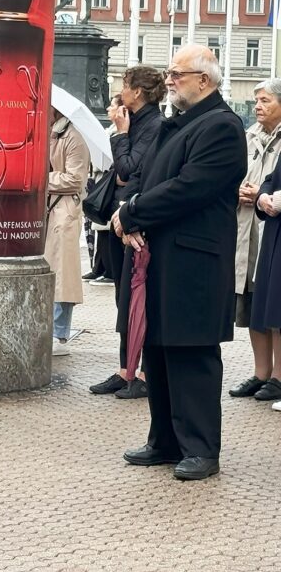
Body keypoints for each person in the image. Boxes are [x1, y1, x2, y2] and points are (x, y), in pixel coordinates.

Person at [114, 45, 247, 481]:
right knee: (158, 349)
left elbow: (189, 188)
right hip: (160, 256)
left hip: (194, 261)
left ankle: (201, 449)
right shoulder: (178, 124)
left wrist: (133, 212)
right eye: (169, 73)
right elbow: (146, 180)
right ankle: (165, 441)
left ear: (204, 80)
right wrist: (129, 210)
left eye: (177, 74)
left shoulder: (222, 126)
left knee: (191, 353)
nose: (169, 80)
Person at [89, 65, 164, 399]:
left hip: (136, 220)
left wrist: (120, 135)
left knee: (139, 299)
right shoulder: (134, 121)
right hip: (120, 219)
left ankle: (145, 373)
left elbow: (130, 169)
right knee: (123, 298)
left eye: (125, 84)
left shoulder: (154, 125)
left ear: (138, 91)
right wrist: (121, 139)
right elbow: (122, 172)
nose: (120, 89)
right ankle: (126, 368)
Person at [229, 80, 281, 402]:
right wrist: (239, 190)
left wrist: (261, 194)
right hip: (247, 228)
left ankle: (277, 376)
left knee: (275, 305)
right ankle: (261, 372)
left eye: (265, 100)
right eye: (256, 100)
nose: (258, 106)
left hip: (271, 229)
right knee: (252, 303)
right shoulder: (248, 137)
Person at [45, 105, 90, 357]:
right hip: (51, 209)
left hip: (65, 210)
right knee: (52, 271)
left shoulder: (73, 137)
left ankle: (59, 333)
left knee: (63, 274)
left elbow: (76, 179)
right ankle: (50, 329)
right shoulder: (51, 133)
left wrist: (45, 178)